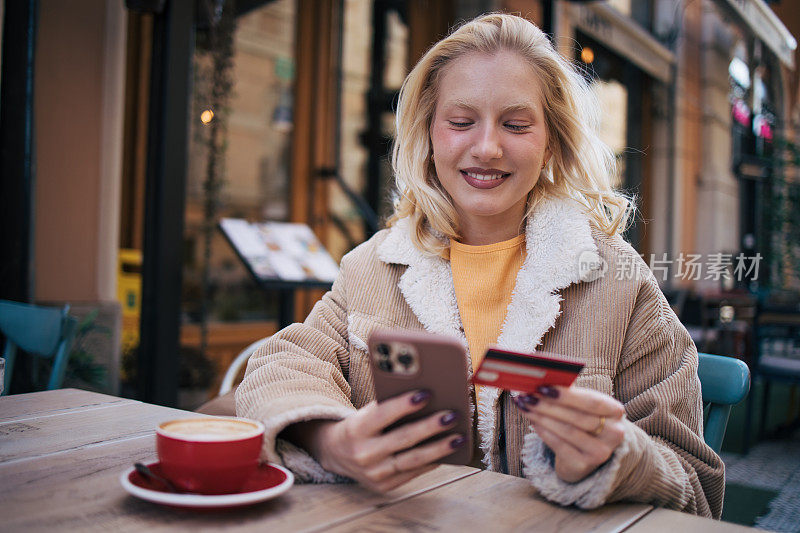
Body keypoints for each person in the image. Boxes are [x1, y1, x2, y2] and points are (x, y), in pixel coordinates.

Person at [235, 13, 724, 518]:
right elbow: (281, 365)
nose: (487, 147)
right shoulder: (373, 267)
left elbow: (698, 488)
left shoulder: (620, 285)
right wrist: (331, 438)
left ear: (551, 141)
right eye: (461, 122)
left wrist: (616, 460)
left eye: (515, 125)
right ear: (429, 133)